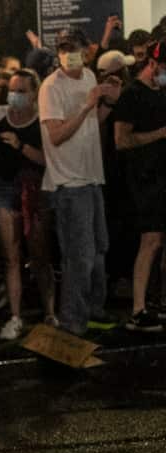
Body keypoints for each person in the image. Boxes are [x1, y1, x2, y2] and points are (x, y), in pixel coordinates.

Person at [39, 28, 122, 336]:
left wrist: (107, 103)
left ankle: (94, 309)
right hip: (69, 183)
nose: (68, 54)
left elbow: (93, 121)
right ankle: (73, 321)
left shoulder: (87, 76)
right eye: (63, 49)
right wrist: (87, 105)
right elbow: (57, 135)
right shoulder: (51, 87)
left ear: (87, 50)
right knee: (78, 255)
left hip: (91, 177)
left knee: (99, 248)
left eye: (73, 48)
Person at [0, 69, 55, 337]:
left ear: (34, 93)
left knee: (40, 255)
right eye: (12, 90)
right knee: (11, 256)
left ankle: (50, 312)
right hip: (3, 190)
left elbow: (47, 160)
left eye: (21, 91)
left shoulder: (42, 123)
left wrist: (20, 146)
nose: (15, 96)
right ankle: (15, 316)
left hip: (35, 191)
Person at [112, 40, 166, 331]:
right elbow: (122, 141)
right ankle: (138, 308)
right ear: (153, 64)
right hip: (145, 178)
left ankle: (155, 302)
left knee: (159, 242)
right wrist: (160, 133)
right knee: (150, 241)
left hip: (161, 175)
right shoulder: (132, 95)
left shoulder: (162, 92)